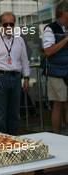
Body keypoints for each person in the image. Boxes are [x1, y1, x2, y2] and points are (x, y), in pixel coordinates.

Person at [0, 12, 30, 135]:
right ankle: (1, 144)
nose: (8, 27)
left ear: (14, 24)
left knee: (14, 114)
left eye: (11, 24)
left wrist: (26, 78)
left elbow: (24, 60)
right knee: (0, 115)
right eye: (6, 24)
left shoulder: (20, 40)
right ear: (1, 25)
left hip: (16, 78)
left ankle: (13, 142)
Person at [42, 1, 68, 133]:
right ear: (62, 14)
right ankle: (57, 136)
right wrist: (65, 39)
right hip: (56, 72)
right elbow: (48, 51)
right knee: (58, 104)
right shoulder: (50, 28)